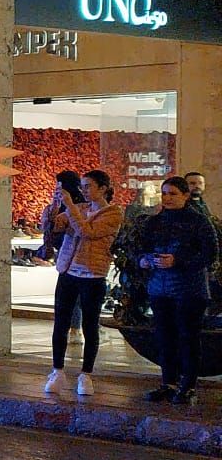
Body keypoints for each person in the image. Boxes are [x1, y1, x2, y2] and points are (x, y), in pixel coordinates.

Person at [135, 175, 216, 405]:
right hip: (159, 288)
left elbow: (209, 254)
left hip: (189, 289)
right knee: (164, 337)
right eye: (164, 193)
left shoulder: (199, 222)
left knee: (188, 337)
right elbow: (140, 250)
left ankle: (188, 386)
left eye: (173, 194)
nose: (167, 198)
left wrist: (177, 260)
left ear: (185, 196)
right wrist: (144, 260)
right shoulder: (154, 222)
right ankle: (168, 383)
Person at [47, 169, 119, 397]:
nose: (83, 191)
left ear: (103, 189)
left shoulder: (114, 214)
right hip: (68, 272)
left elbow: (88, 232)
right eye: (82, 187)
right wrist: (54, 208)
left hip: (92, 275)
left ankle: (86, 374)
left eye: (88, 186)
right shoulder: (80, 209)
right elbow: (56, 227)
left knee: (89, 325)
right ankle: (57, 371)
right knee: (60, 323)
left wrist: (71, 209)